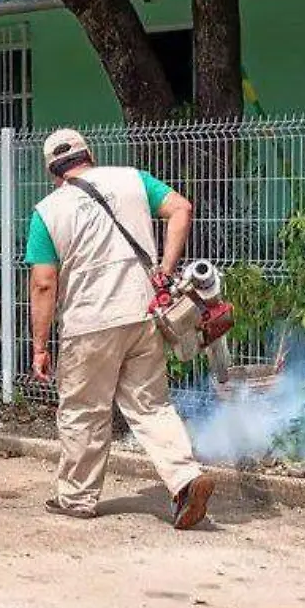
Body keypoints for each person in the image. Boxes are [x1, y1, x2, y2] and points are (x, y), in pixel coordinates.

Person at [25, 127, 216, 529]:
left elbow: (44, 283)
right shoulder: (132, 179)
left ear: (52, 172)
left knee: (83, 410)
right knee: (151, 406)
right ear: (88, 156)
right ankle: (184, 478)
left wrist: (40, 346)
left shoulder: (48, 211)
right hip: (144, 313)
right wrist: (164, 270)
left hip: (89, 323)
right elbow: (182, 208)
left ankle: (76, 497)